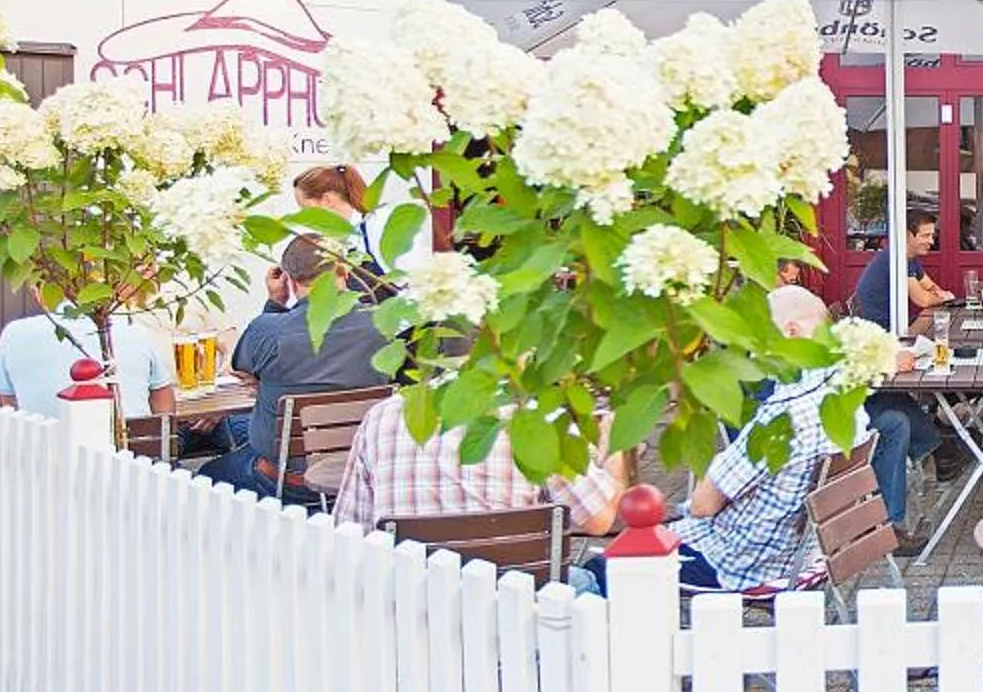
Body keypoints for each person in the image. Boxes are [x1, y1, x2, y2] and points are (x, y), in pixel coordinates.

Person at [332, 391, 629, 570]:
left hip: (411, 612)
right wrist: (616, 444)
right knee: (602, 574)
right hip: (522, 610)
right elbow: (599, 519)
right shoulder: (536, 418)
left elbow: (348, 532)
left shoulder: (382, 416)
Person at [668, 286, 840, 589]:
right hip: (795, 554)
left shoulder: (783, 414)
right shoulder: (840, 403)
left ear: (791, 331)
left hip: (737, 562)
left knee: (606, 569)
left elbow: (702, 505)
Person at [201, 236, 391, 500]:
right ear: (344, 269)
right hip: (361, 478)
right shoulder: (383, 325)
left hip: (286, 484)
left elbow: (243, 369)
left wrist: (275, 303)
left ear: (289, 280)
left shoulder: (269, 331)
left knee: (203, 477)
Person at [0, 296, 175, 422]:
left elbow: (10, 406)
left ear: (38, 292)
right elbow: (163, 401)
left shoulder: (14, 333)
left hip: (42, 457)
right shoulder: (135, 331)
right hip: (132, 456)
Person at [853, 211, 951, 334]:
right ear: (907, 235)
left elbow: (930, 286)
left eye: (932, 236)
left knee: (942, 326)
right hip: (884, 332)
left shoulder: (909, 257)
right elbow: (922, 300)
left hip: (896, 324)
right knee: (942, 330)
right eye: (926, 236)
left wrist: (939, 295)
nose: (932, 241)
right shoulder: (897, 259)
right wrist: (945, 297)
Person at [292, 164, 387, 283]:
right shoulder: (341, 240)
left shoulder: (378, 224)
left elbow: (406, 282)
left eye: (306, 209)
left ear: (327, 201)